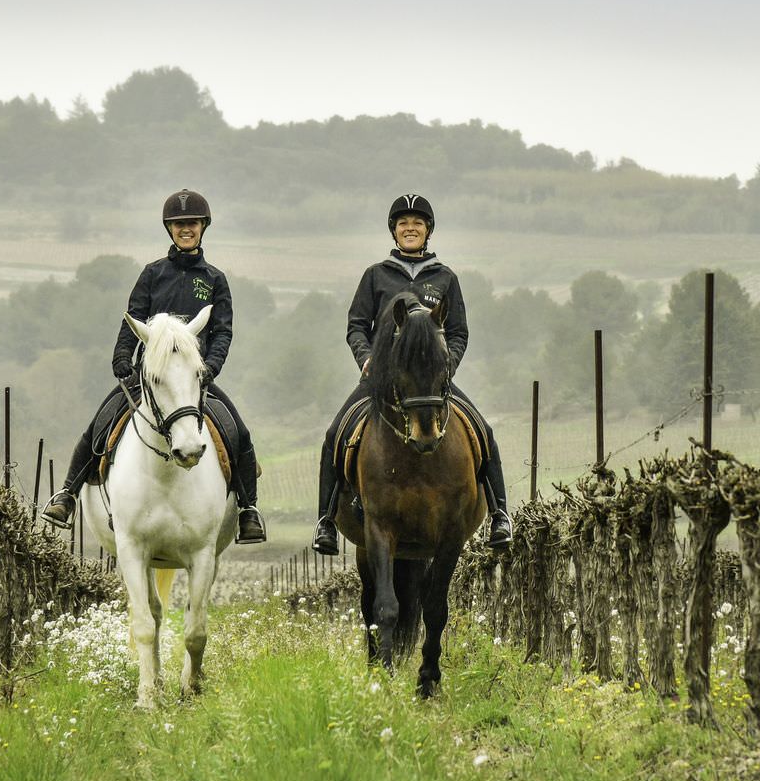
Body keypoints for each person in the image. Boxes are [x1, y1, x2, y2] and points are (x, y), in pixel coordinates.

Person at [41, 188, 266, 544]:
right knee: (99, 424)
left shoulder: (214, 280)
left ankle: (248, 510)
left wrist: (210, 367)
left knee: (238, 431)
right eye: (178, 224)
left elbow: (222, 331)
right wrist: (121, 357)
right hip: (152, 377)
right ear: (169, 229)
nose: (185, 229)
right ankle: (67, 495)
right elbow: (132, 319)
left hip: (194, 378)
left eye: (191, 223)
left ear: (203, 226)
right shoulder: (152, 274)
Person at [311, 192, 511, 553]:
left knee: (484, 430)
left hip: (431, 384)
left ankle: (500, 514)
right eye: (403, 223)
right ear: (394, 230)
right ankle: (325, 520)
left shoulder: (445, 278)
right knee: (333, 434)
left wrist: (447, 366)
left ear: (428, 230)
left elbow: (458, 332)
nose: (410, 228)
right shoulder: (376, 276)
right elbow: (357, 325)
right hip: (381, 381)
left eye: (417, 223)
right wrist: (366, 358)